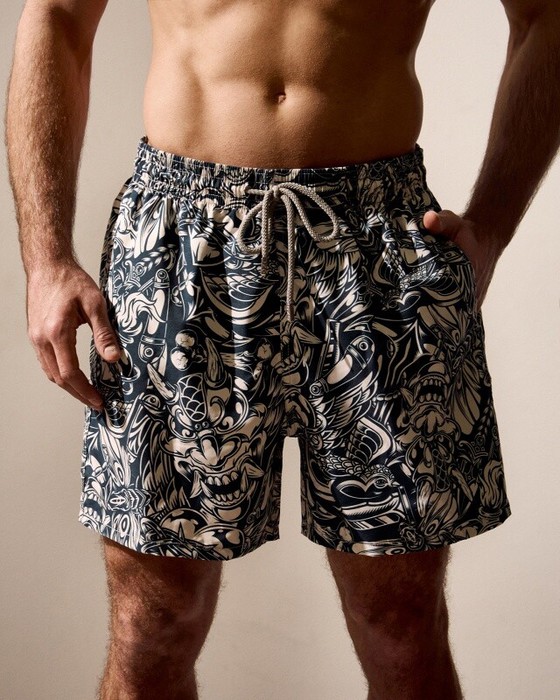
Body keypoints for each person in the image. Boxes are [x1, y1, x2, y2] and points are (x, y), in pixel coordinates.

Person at [6, 0, 560, 698]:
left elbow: (544, 18)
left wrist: (494, 226)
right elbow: (56, 16)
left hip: (376, 241)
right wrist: (46, 258)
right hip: (185, 242)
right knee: (154, 621)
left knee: (400, 623)